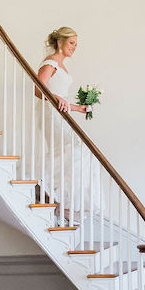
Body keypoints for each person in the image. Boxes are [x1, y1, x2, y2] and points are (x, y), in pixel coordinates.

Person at [36, 27, 100, 219]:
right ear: (60, 42)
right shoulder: (50, 63)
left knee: (76, 153)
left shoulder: (62, 66)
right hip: (49, 113)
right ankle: (46, 185)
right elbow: (38, 90)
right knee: (74, 150)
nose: (74, 47)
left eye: (76, 45)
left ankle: (63, 201)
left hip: (59, 113)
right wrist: (56, 97)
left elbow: (61, 100)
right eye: (71, 43)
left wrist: (79, 108)